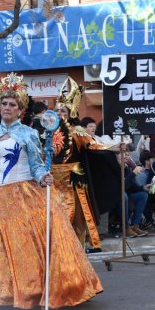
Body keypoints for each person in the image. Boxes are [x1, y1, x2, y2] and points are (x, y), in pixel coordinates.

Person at [0, 73, 102, 309]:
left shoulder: (29, 133)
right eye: (3, 103)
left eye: (12, 104)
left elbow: (36, 165)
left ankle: (29, 291)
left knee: (23, 237)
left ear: (20, 109)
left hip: (22, 192)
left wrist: (43, 176)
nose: (6, 107)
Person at [51, 82, 121, 252]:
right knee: (54, 218)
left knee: (76, 216)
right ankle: (58, 249)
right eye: (57, 110)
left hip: (72, 181)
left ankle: (76, 249)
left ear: (70, 113)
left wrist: (115, 148)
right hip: (52, 182)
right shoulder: (46, 132)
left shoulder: (78, 131)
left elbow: (94, 146)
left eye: (64, 111)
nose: (60, 113)